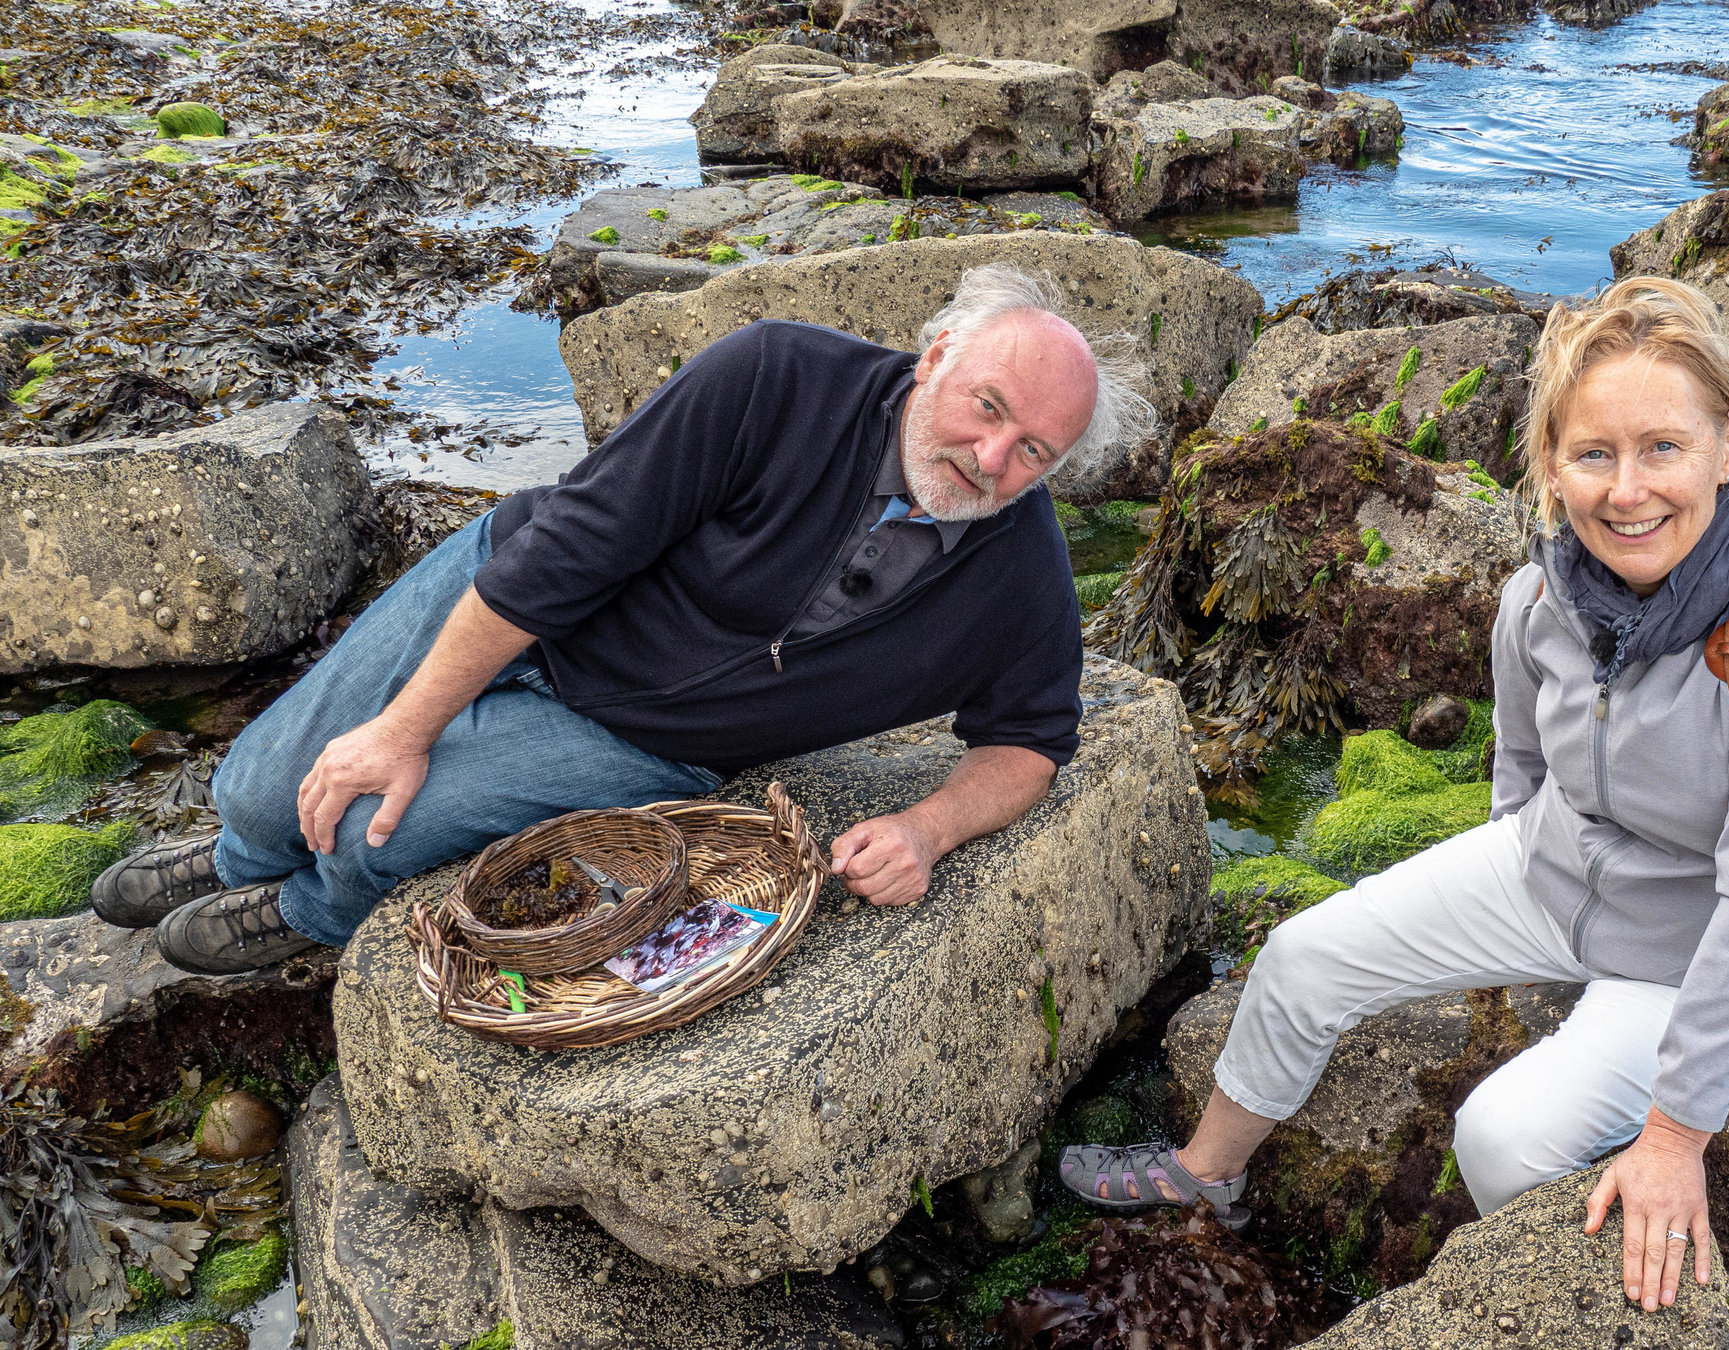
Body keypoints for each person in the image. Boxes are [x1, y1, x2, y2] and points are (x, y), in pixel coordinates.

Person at [1057, 276, 1729, 1314]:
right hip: (1558, 872)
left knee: (1500, 1137)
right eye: (1594, 454)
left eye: (1663, 448)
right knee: (1300, 957)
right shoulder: (1542, 590)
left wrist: (1677, 1134)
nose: (1627, 490)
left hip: (1706, 948)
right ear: (1551, 464)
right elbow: (1523, 765)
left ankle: (1572, 1312)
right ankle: (1207, 1170)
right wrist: (1513, 898)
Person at [88, 264, 1153, 975]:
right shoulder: (777, 374)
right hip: (520, 595)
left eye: (1036, 452)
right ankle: (240, 852)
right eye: (987, 407)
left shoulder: (1022, 570)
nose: (993, 458)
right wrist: (405, 728)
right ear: (936, 357)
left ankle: (304, 914)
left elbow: (1030, 742)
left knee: (376, 835)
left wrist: (928, 828)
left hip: (642, 741)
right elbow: (567, 554)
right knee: (271, 786)